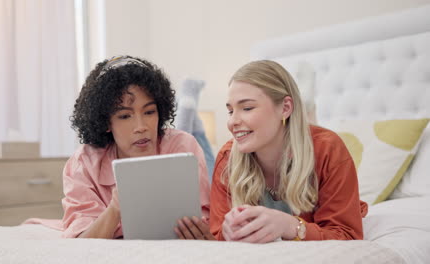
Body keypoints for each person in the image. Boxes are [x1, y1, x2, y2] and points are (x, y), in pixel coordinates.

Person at [209, 60, 368, 242]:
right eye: (230, 111)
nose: (232, 122)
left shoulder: (327, 150)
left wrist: (290, 226)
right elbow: (217, 237)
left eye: (247, 108)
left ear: (285, 108)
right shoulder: (228, 159)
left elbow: (347, 235)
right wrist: (227, 232)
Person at [61, 55, 213, 239]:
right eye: (125, 116)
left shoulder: (183, 145)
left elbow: (205, 221)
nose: (141, 126)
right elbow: (81, 243)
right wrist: (115, 208)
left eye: (149, 112)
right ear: (106, 121)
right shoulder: (83, 163)